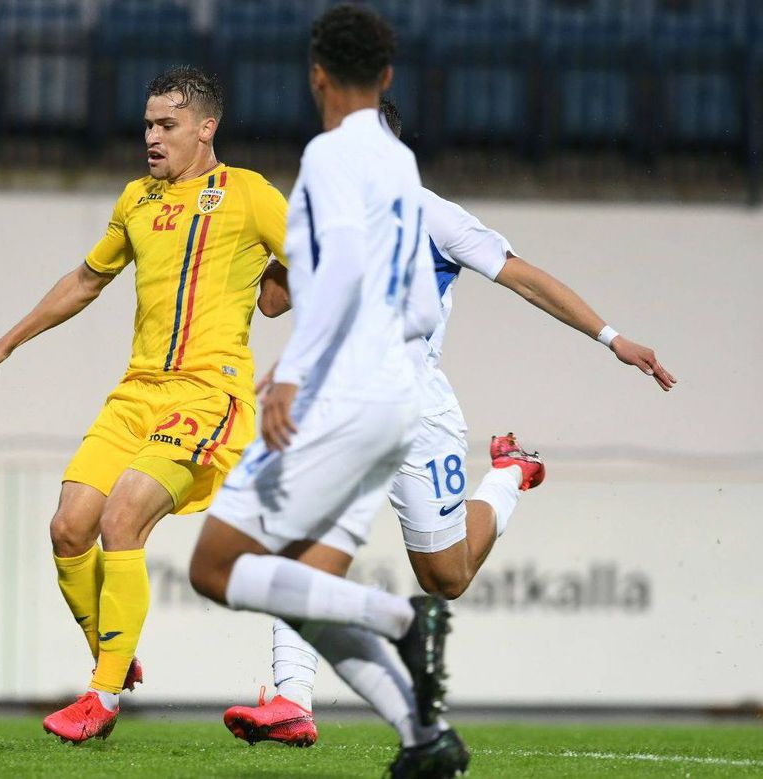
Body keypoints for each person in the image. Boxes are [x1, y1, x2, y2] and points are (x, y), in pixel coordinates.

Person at [223, 94, 676, 772]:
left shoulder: (435, 217)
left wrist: (611, 337)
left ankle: (509, 475)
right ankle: (293, 702)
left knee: (447, 575)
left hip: (418, 411)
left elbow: (525, 279)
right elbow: (272, 300)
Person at [0, 66, 289, 744]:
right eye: (147, 124)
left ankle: (103, 695)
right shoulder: (136, 200)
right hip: (136, 392)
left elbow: (329, 264)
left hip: (208, 395)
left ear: (207, 128)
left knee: (121, 517)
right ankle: (113, 655)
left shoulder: (250, 194)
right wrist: (6, 342)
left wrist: (292, 319)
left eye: (166, 124)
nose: (152, 136)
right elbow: (86, 280)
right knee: (68, 527)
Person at [186, 7, 467, 777]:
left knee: (214, 567)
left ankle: (400, 618)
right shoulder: (400, 165)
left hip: (342, 396)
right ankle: (423, 738)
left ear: (316, 74)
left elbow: (338, 266)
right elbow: (413, 302)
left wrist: (295, 372)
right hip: (399, 399)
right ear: (387, 76)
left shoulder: (331, 156)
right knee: (303, 584)